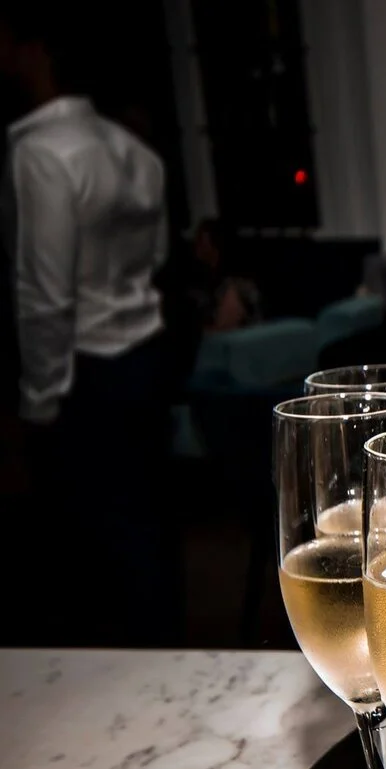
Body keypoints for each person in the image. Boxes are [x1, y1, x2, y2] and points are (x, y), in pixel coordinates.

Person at [1, 3, 182, 645]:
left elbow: (45, 297)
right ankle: (166, 659)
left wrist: (38, 401)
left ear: (34, 49)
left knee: (99, 543)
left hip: (88, 373)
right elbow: (157, 257)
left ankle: (129, 677)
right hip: (147, 354)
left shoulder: (43, 155)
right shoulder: (134, 151)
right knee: (149, 523)